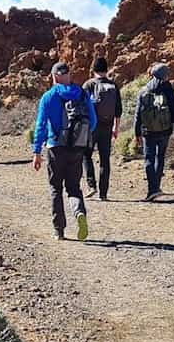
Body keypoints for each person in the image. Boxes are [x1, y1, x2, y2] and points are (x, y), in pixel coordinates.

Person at [32, 61, 97, 241]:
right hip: (77, 149)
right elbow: (93, 122)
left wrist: (36, 151)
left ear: (54, 77)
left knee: (55, 188)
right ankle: (79, 213)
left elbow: (41, 125)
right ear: (69, 75)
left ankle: (58, 230)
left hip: (55, 147)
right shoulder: (83, 94)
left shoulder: (49, 96)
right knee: (74, 188)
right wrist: (79, 137)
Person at [133, 61, 174, 201]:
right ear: (165, 75)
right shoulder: (169, 90)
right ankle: (156, 187)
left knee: (149, 158)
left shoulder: (144, 90)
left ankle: (152, 189)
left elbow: (138, 113)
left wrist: (136, 132)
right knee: (160, 157)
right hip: (165, 130)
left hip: (148, 131)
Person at [81, 56, 121, 200]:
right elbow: (118, 109)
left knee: (86, 155)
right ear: (106, 69)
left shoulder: (89, 85)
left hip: (92, 127)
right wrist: (116, 127)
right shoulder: (113, 85)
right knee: (105, 159)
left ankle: (92, 186)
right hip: (107, 126)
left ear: (93, 70)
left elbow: (82, 107)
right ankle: (103, 193)